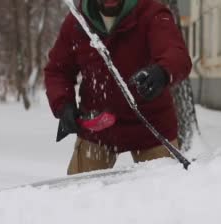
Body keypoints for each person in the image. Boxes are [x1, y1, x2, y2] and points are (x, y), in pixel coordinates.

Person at [44, 0, 192, 175]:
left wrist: (162, 72)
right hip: (98, 127)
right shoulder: (78, 22)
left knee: (165, 189)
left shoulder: (151, 13)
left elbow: (176, 53)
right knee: (78, 191)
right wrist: (63, 104)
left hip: (151, 125)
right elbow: (58, 71)